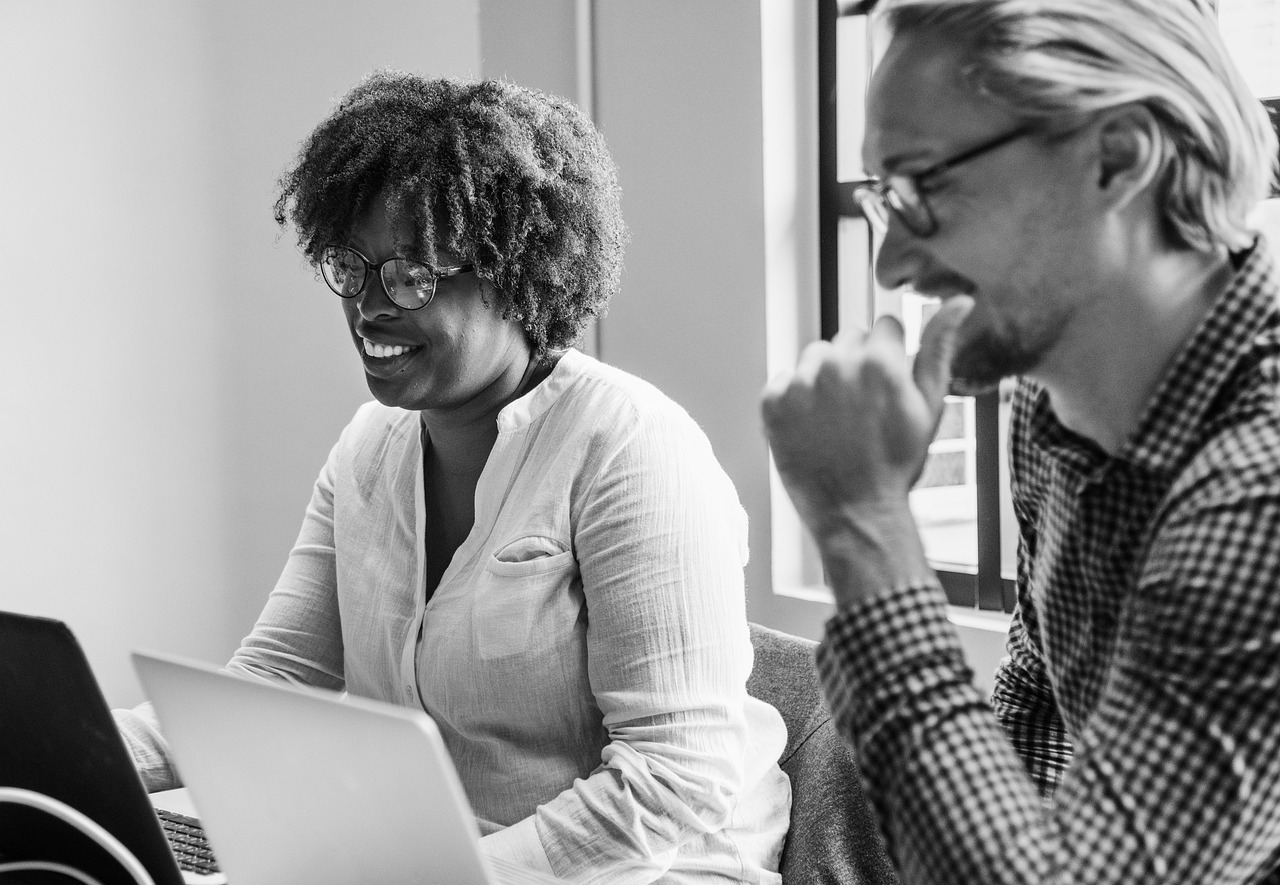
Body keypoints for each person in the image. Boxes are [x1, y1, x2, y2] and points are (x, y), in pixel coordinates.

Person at [116, 71, 790, 883]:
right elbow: (273, 681)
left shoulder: (634, 451)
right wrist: (73, 747)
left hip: (644, 866)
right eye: (352, 266)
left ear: (520, 271)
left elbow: (672, 784)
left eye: (411, 275)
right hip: (426, 862)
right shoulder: (369, 447)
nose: (369, 306)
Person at [761, 1, 1280, 883]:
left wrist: (861, 523)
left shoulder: (1259, 487)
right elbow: (1038, 709)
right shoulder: (1048, 413)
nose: (890, 268)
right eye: (884, 198)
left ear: (1118, 156)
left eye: (924, 188)